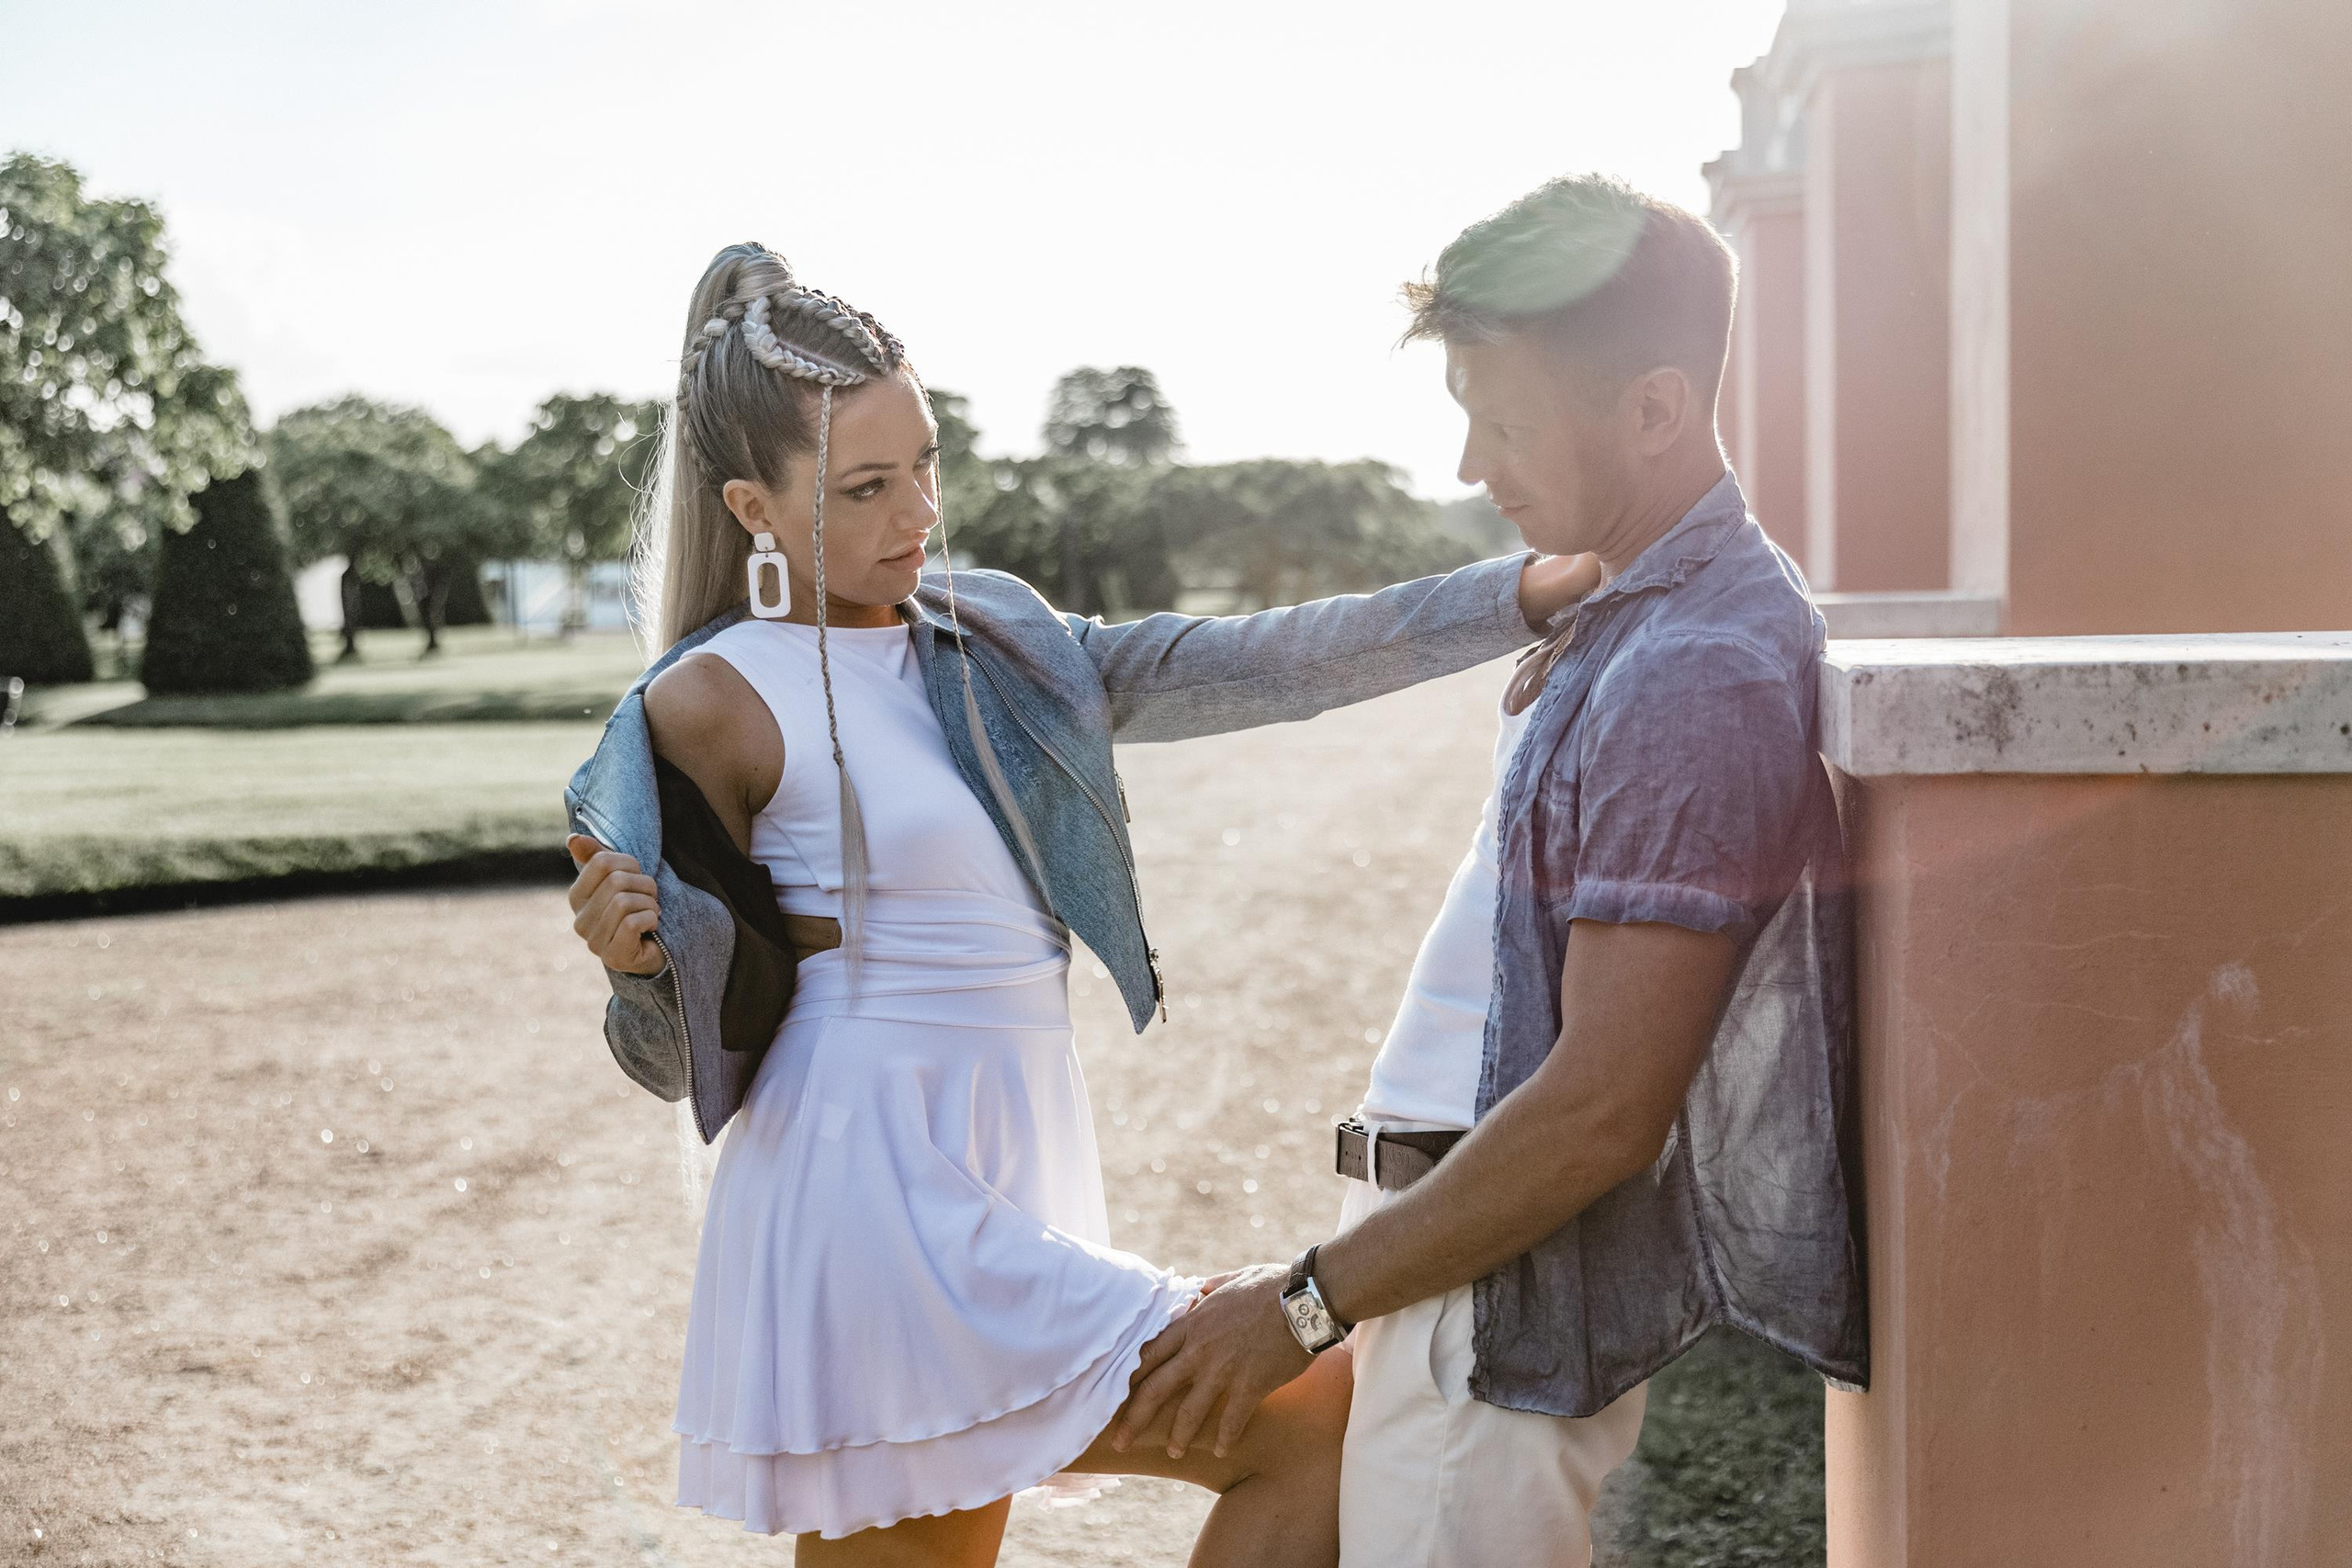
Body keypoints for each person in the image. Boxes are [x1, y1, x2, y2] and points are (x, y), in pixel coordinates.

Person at [560, 241, 1600, 1566]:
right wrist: (635, 966)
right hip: (870, 1197)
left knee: (1296, 1427)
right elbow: (677, 1053)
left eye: (925, 463)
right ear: (754, 507)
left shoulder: (989, 641)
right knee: (1303, 1412)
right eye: (868, 486)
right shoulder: (707, 701)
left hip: (992, 1174)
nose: (914, 513)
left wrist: (1512, 596)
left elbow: (1237, 661)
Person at [1114, 175, 1868, 1567]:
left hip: (1497, 1304)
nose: (1472, 466)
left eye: (1505, 422)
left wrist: (1296, 1305)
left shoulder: (1696, 667)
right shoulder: (1634, 610)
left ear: (1653, 409)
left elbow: (1598, 1112)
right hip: (1445, 1265)